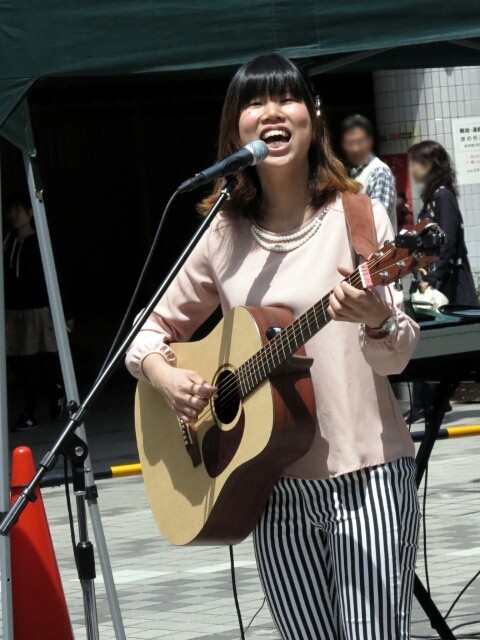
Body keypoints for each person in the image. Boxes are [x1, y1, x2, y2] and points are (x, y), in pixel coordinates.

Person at [126, 54, 420, 639]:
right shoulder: (221, 234)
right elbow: (146, 331)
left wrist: (377, 320)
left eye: (286, 98)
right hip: (270, 486)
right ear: (235, 129)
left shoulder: (359, 217)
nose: (271, 113)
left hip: (368, 482)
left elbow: (398, 353)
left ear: (313, 116)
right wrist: (164, 375)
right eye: (254, 103)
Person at [405, 140, 478, 423]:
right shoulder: (433, 197)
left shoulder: (443, 196)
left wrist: (433, 279)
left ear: (431, 165)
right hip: (438, 280)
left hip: (449, 284)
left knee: (442, 344)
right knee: (430, 341)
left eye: (417, 163)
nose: (413, 169)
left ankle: (429, 404)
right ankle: (429, 403)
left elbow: (448, 243)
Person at [4, 193, 68, 430]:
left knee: (31, 361)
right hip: (13, 311)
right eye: (10, 210)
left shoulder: (38, 241)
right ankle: (53, 388)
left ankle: (30, 413)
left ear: (30, 213)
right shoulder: (9, 241)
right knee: (15, 362)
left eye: (18, 210)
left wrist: (66, 311)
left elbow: (55, 276)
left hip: (35, 310)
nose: (13, 215)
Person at [341, 114, 397, 230]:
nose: (355, 148)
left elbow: (378, 221)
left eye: (360, 142)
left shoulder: (379, 172)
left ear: (370, 142)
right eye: (350, 143)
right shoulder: (348, 173)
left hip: (377, 242)